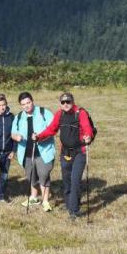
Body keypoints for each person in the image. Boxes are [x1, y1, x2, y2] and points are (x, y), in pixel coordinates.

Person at [34, 92, 95, 220]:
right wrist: (39, 136)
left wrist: (88, 136)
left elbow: (87, 128)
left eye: (68, 102)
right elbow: (51, 129)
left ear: (73, 102)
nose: (65, 104)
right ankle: (69, 204)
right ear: (60, 104)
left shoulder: (81, 113)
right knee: (66, 180)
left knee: (75, 180)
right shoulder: (59, 114)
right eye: (63, 102)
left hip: (79, 152)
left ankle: (74, 210)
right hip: (65, 152)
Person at [11, 92, 56, 212]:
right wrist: (16, 137)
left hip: (43, 152)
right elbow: (13, 133)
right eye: (23, 104)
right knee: (31, 176)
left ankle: (45, 201)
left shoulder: (44, 112)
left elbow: (53, 129)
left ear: (32, 101)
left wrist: (40, 137)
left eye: (28, 102)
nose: (26, 106)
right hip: (26, 152)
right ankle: (34, 197)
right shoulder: (18, 117)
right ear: (21, 105)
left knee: (43, 176)